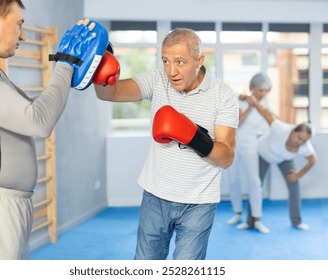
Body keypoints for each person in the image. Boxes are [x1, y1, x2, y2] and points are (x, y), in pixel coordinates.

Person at [0, 0, 103, 259]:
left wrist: (65, 68)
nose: (22, 34)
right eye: (19, 23)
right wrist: (66, 64)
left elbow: (35, 111)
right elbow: (38, 121)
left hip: (0, 206)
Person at [94, 28, 238, 259]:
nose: (171, 71)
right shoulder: (157, 80)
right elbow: (110, 94)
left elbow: (226, 157)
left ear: (199, 60)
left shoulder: (223, 95)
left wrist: (192, 136)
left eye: (180, 62)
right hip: (155, 197)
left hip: (198, 203)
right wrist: (100, 63)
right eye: (166, 61)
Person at [241, 95, 317, 231]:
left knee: (294, 185)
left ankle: (297, 221)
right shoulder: (280, 128)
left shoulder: (305, 146)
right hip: (262, 154)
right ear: (294, 131)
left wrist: (299, 174)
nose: (300, 142)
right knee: (256, 185)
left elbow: (312, 160)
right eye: (299, 138)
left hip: (284, 159)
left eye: (304, 141)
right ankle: (250, 222)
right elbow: (266, 113)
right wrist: (253, 101)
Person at [224, 73, 273, 234]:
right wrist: (251, 105)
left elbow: (270, 122)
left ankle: (257, 219)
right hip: (235, 144)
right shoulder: (241, 101)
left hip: (251, 146)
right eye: (260, 90)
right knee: (233, 180)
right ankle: (237, 213)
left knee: (255, 182)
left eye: (266, 90)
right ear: (252, 88)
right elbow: (237, 123)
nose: (263, 93)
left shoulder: (265, 104)